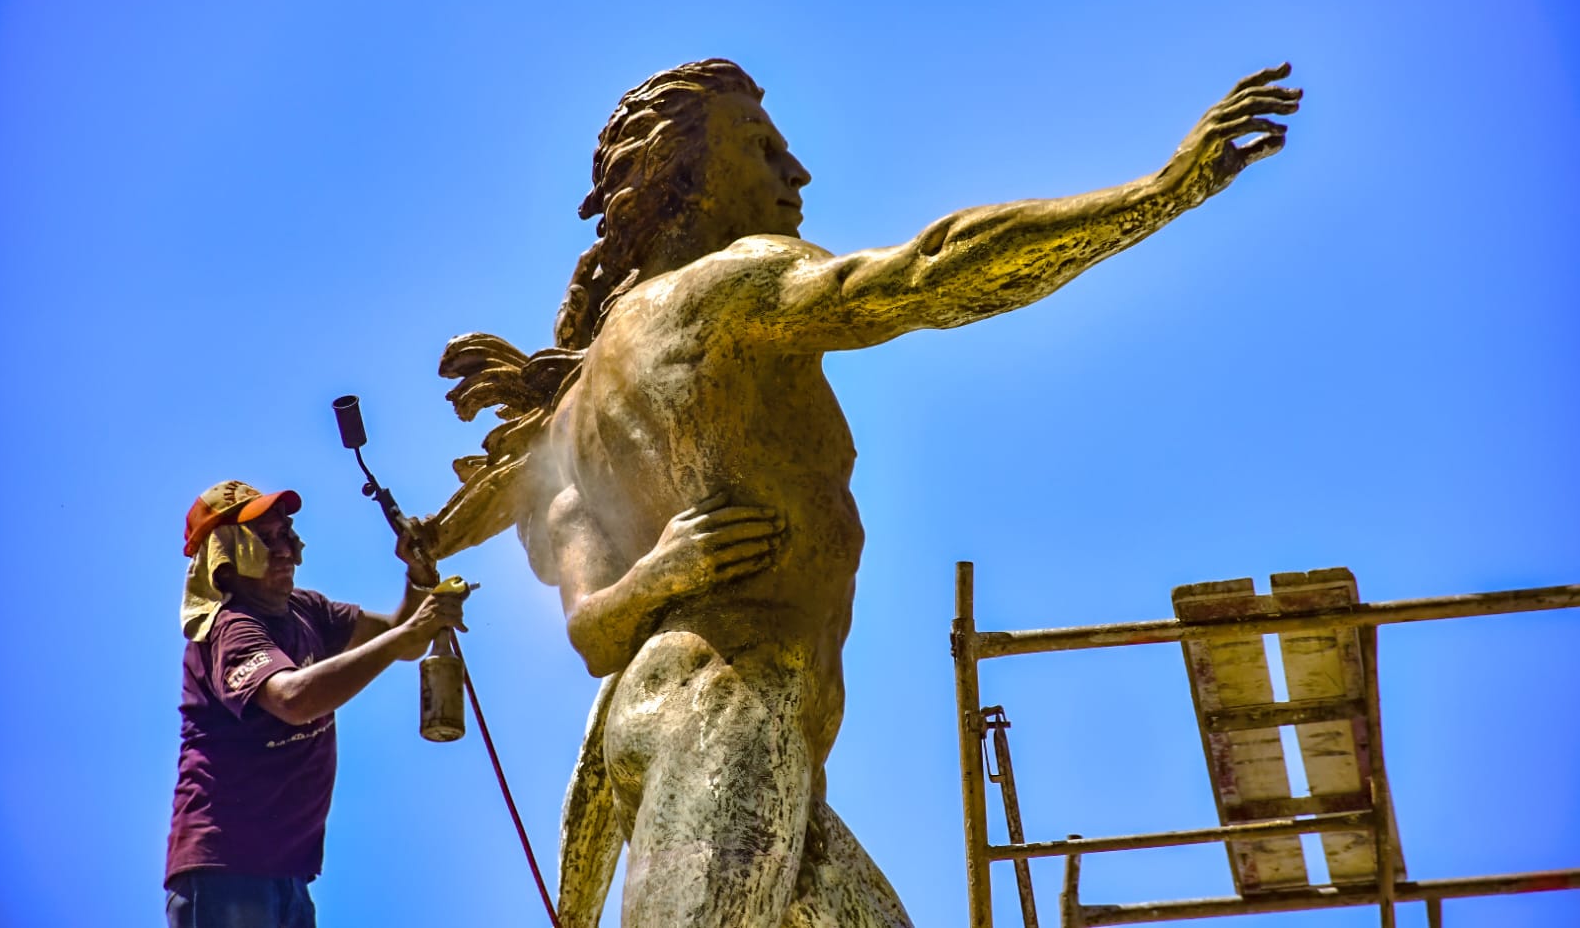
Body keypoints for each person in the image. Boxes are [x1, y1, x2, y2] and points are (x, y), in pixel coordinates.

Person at [406, 59, 1300, 926]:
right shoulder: (727, 286)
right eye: (759, 147)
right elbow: (928, 273)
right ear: (685, 179)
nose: (796, 171)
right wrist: (1160, 192)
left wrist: (659, 578)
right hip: (728, 714)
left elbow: (597, 633)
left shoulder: (566, 428)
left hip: (676, 726)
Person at [164, 479, 467, 927]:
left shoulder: (306, 611)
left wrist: (418, 576)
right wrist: (409, 633)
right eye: (264, 540)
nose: (286, 549)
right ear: (225, 562)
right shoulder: (231, 630)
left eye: (285, 533)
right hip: (225, 869)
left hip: (286, 876)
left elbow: (401, 638)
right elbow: (293, 699)